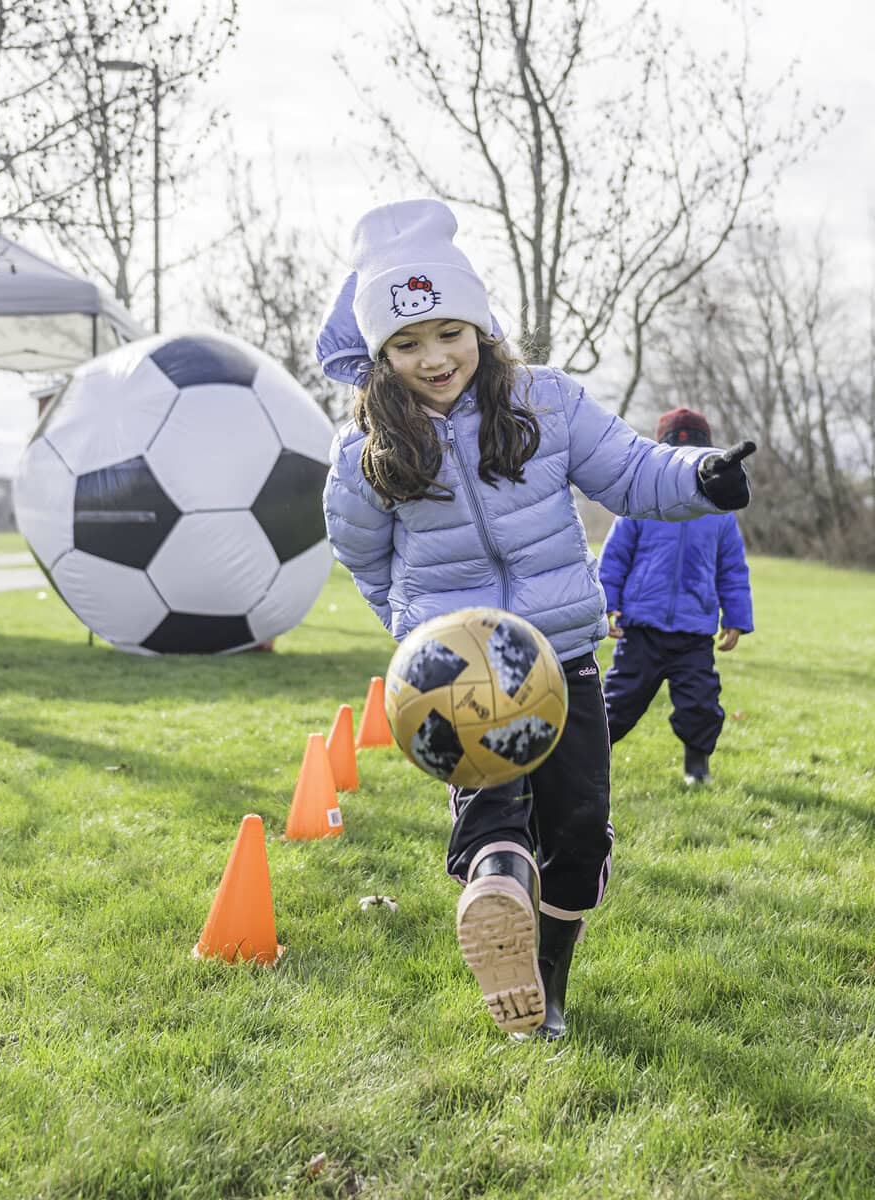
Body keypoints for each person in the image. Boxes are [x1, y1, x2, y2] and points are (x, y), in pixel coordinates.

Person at [316, 199, 755, 1040]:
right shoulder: (368, 449)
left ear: (481, 326)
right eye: (404, 345)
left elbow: (630, 471)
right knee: (494, 811)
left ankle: (540, 976)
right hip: (454, 673)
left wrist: (701, 476)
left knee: (582, 830)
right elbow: (363, 556)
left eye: (448, 332)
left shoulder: (544, 403)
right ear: (378, 356)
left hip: (562, 659)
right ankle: (495, 894)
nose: (432, 358)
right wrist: (415, 642)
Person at [598, 407, 754, 785]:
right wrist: (606, 607)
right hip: (642, 629)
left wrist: (735, 619)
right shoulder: (640, 508)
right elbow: (614, 559)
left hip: (694, 632)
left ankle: (697, 767)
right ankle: (590, 762)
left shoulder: (720, 513)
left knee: (700, 704)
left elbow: (732, 569)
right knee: (617, 704)